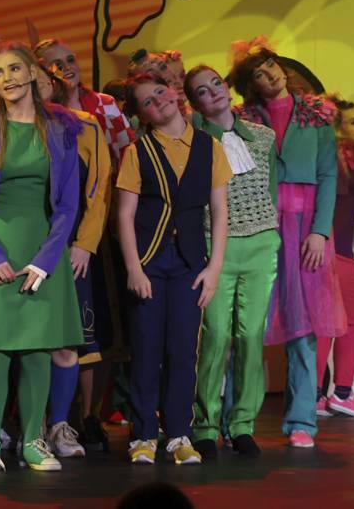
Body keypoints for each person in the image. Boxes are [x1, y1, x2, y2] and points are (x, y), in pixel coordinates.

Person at [0, 41, 84, 473]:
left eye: (14, 69)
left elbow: (68, 205)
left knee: (37, 349)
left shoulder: (61, 128)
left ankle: (33, 442)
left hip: (42, 249)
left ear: (31, 73)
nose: (7, 78)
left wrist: (46, 259)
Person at [231, 38, 345, 449]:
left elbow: (328, 174)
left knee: (303, 325)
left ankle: (302, 420)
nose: (270, 74)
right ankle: (234, 419)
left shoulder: (316, 116)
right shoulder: (242, 121)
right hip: (260, 224)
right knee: (245, 323)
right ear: (251, 85)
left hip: (305, 227)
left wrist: (320, 231)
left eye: (271, 65)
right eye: (259, 73)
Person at [116, 73, 230, 465]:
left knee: (183, 350)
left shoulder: (209, 147)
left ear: (174, 93)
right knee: (147, 349)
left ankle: (179, 433)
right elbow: (125, 215)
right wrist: (134, 268)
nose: (158, 101)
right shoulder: (138, 152)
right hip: (149, 260)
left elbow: (219, 211)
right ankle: (143, 434)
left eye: (160, 92)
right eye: (147, 101)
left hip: (189, 264)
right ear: (142, 115)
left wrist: (214, 268)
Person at [184, 65, 278, 458]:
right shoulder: (194, 140)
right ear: (195, 104)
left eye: (216, 84)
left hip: (261, 244)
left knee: (251, 335)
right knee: (216, 335)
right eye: (202, 91)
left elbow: (271, 189)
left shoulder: (263, 136)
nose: (214, 93)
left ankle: (242, 425)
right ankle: (205, 424)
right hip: (216, 246)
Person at [34, 66, 111, 458]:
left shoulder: (85, 126)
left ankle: (60, 425)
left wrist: (85, 244)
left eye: (37, 79)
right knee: (28, 344)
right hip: (26, 249)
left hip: (70, 250)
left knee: (67, 341)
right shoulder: (5, 128)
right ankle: (32, 425)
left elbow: (98, 190)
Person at [316, 95, 354, 418]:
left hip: (326, 252)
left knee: (324, 325)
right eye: (353, 121)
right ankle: (341, 392)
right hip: (337, 254)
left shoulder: (329, 160)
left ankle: (315, 396)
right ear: (337, 130)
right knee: (350, 323)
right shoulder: (353, 160)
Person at [34, 38, 135, 165]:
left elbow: (129, 153)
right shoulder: (39, 115)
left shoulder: (105, 103)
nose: (68, 67)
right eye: (58, 65)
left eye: (71, 60)